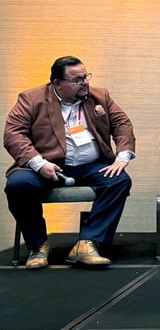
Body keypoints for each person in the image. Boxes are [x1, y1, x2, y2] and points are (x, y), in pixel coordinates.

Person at [4, 56, 135, 269]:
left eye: (86, 77)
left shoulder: (100, 96)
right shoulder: (31, 99)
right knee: (17, 185)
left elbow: (122, 123)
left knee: (118, 181)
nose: (85, 83)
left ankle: (87, 243)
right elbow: (13, 135)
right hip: (46, 163)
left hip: (90, 165)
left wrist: (122, 156)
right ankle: (38, 246)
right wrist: (39, 164)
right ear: (58, 83)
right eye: (77, 79)